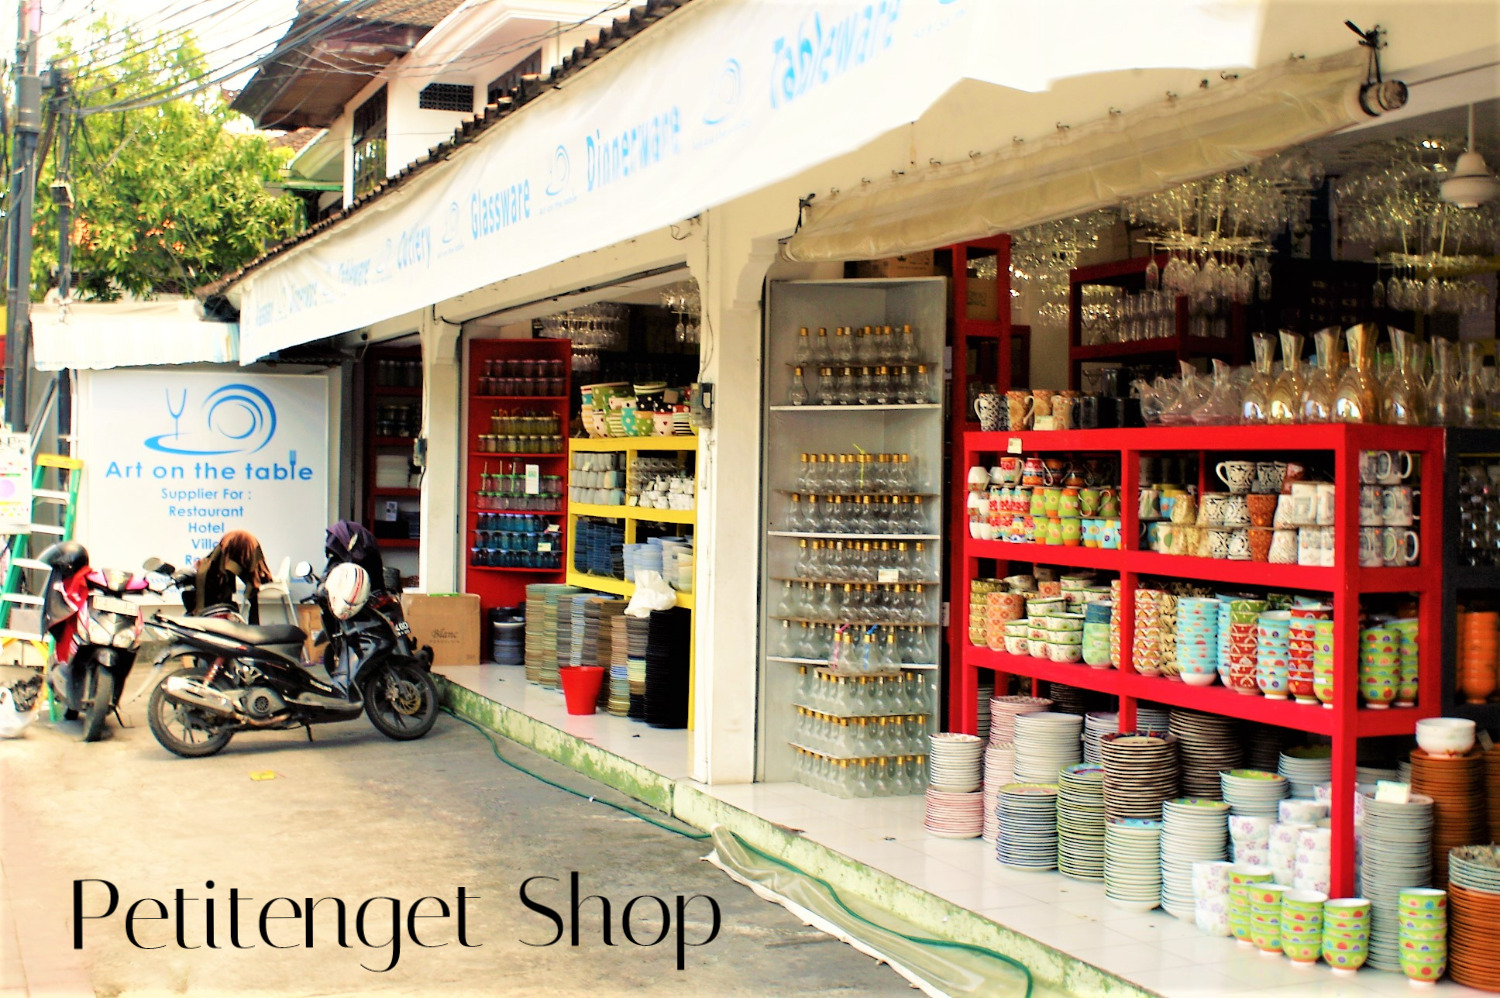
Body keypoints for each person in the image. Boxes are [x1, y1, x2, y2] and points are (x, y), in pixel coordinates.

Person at [194, 530, 273, 623]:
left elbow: (219, 567)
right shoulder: (215, 562)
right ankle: (254, 624)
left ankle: (233, 619)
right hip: (249, 543)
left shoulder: (213, 563)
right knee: (251, 587)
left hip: (237, 543)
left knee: (227, 577)